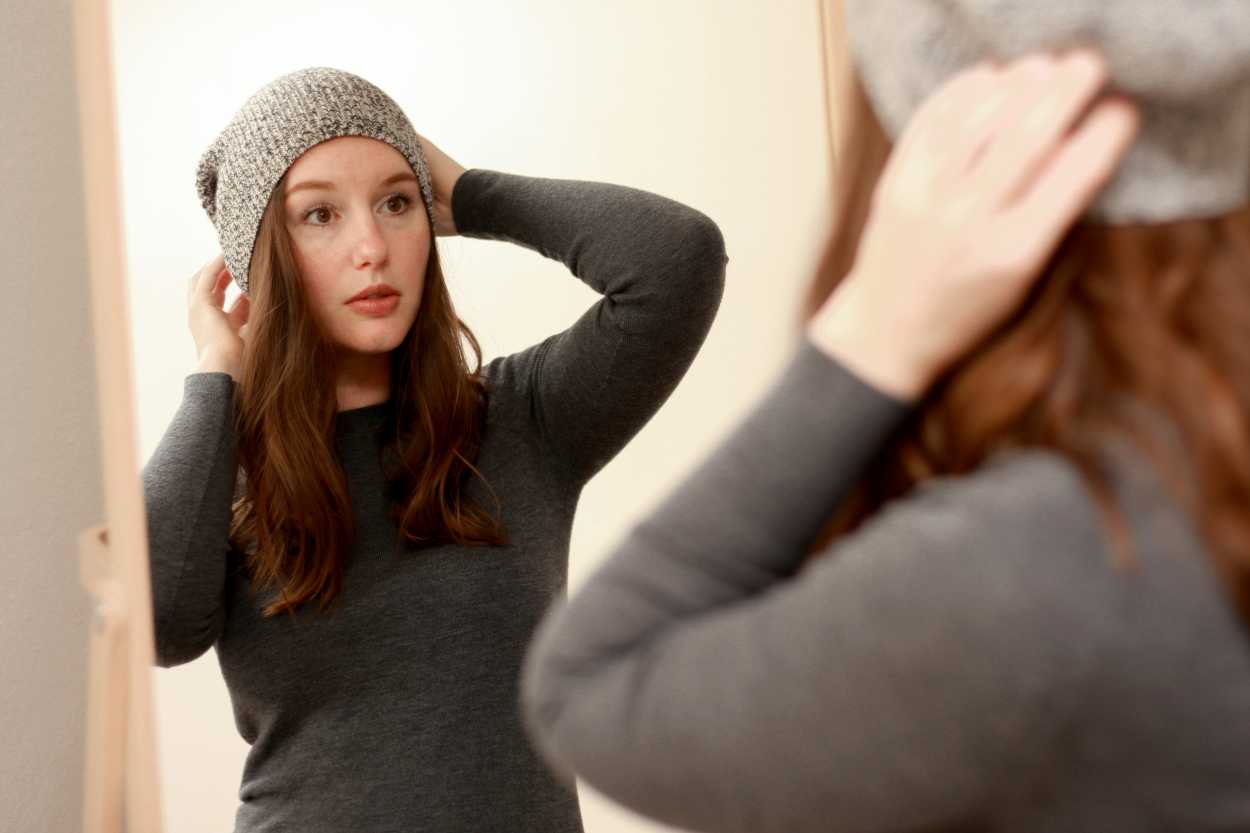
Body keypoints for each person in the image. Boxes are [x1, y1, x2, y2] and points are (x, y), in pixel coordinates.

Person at [519, 3, 1250, 831]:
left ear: (956, 167)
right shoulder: (1172, 499)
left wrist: (881, 324)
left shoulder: (1058, 557)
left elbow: (594, 687)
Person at [141, 66, 726, 833]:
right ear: (262, 257)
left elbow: (678, 263)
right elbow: (155, 623)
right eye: (319, 214)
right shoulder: (227, 463)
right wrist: (216, 375)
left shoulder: (521, 422)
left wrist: (472, 193)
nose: (371, 247)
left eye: (396, 201)